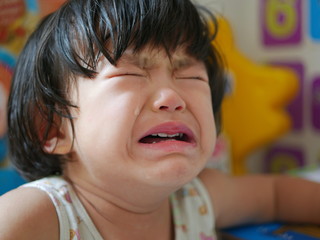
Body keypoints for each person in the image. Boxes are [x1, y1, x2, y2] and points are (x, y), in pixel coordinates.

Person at [1, 0, 320, 239]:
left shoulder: (197, 198)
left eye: (191, 75)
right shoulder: (38, 216)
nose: (172, 97)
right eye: (131, 72)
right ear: (53, 128)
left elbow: (277, 195)